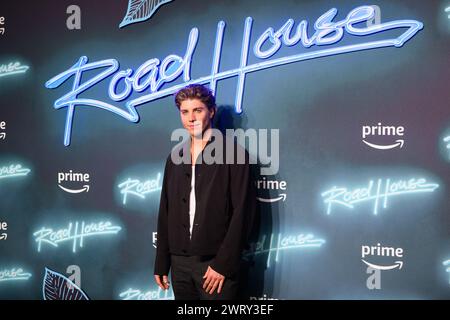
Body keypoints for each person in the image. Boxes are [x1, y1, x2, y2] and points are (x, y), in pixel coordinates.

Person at [154, 84, 256, 300]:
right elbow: (165, 211)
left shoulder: (234, 154)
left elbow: (243, 213)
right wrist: (162, 261)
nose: (191, 118)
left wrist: (223, 265)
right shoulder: (174, 157)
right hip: (179, 264)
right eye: (185, 112)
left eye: (197, 110)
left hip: (215, 265)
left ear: (211, 111)